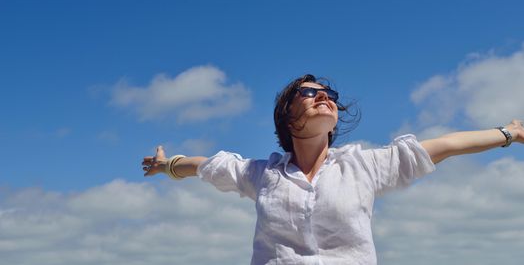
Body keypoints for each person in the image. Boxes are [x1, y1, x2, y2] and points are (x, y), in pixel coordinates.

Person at [141, 74, 524, 265]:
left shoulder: (364, 166)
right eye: (308, 93)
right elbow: (205, 166)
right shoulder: (262, 175)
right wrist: (166, 165)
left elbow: (444, 147)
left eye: (329, 94)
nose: (323, 95)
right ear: (287, 119)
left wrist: (508, 133)